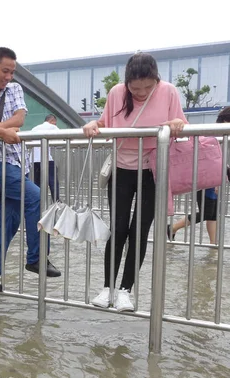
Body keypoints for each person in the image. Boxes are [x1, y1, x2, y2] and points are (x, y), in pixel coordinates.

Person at [83, 52, 187, 311]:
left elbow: (181, 122)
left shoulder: (169, 91)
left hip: (154, 170)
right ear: (127, 82)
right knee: (118, 229)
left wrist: (177, 123)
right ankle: (107, 288)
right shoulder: (117, 93)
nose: (141, 93)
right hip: (122, 168)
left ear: (156, 80)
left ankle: (125, 291)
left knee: (139, 230)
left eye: (147, 87)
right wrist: (93, 124)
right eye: (135, 87)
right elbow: (105, 122)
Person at [0, 47, 61, 292]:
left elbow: (19, 120)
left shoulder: (15, 89)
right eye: (5, 71)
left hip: (20, 163)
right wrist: (3, 133)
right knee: (36, 197)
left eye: (12, 72)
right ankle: (36, 258)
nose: (8, 76)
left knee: (6, 223)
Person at [168, 107, 230, 244]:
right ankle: (172, 227)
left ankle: (213, 244)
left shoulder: (219, 135)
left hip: (213, 179)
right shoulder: (213, 136)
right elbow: (209, 162)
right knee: (206, 212)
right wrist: (216, 181)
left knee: (213, 214)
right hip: (206, 179)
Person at [31, 114, 60, 202]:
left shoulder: (34, 128)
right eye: (55, 123)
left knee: (37, 184)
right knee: (53, 181)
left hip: (34, 160)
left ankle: (38, 203)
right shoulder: (52, 127)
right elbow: (62, 137)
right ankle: (56, 202)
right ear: (52, 121)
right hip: (46, 159)